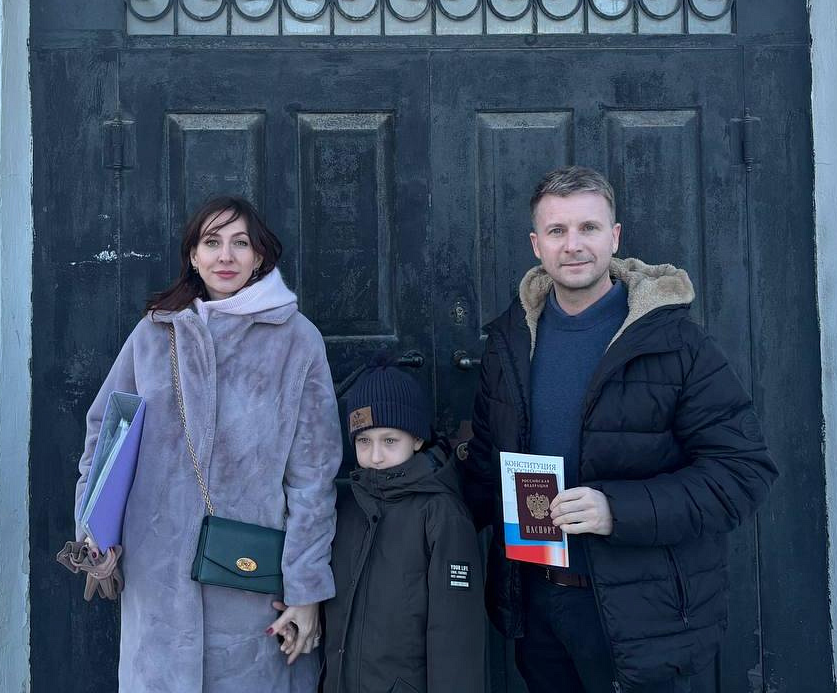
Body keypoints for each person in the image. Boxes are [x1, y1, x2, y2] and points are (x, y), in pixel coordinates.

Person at [458, 166, 778, 692]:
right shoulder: (510, 342)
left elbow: (743, 473)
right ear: (537, 245)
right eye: (557, 231)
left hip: (641, 616)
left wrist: (617, 510)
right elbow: (484, 466)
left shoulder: (677, 344)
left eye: (589, 227)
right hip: (538, 603)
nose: (573, 245)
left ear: (615, 237)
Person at [74, 195, 343, 693]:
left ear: (259, 256)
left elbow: (314, 475)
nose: (226, 256)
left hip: (249, 582)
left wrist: (306, 588)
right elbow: (105, 435)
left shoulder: (296, 340)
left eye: (240, 243)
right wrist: (93, 527)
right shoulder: (154, 334)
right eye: (212, 242)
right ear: (193, 256)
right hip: (157, 578)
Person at [323, 358, 485, 693]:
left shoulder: (442, 515)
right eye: (364, 441)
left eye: (389, 440)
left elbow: (456, 636)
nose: (376, 456)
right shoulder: (348, 506)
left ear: (416, 439)